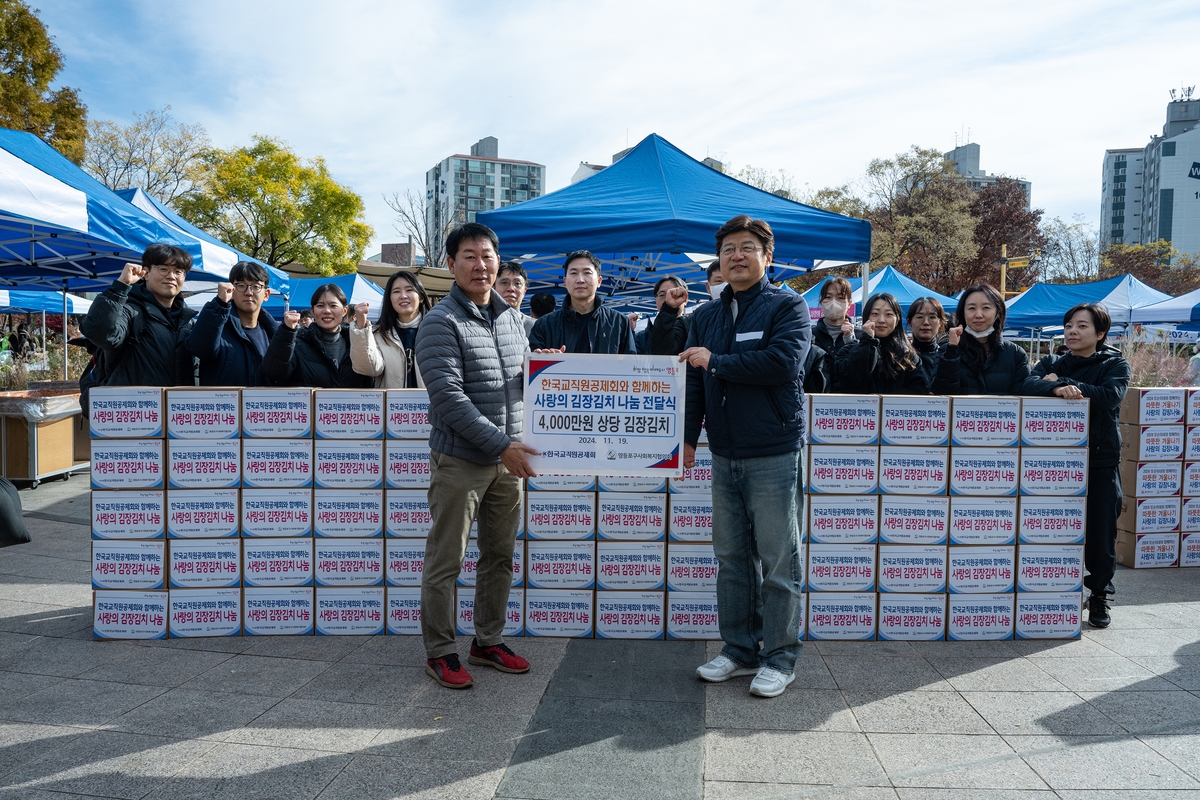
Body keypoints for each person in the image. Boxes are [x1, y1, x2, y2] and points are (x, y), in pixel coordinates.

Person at [681, 215, 811, 699]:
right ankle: (739, 649)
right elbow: (694, 382)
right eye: (729, 248)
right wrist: (689, 438)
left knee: (779, 561)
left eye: (747, 247)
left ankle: (780, 657)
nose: (737, 255)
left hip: (773, 451)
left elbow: (782, 363)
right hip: (724, 452)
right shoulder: (705, 316)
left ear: (767, 256)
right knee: (732, 558)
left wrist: (716, 361)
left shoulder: (788, 306)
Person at [414, 222, 535, 689]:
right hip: (465, 460)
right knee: (446, 560)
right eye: (469, 256)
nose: (481, 265)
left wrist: (548, 373)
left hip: (509, 462)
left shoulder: (511, 319)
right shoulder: (440, 322)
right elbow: (448, 397)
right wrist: (501, 445)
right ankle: (440, 651)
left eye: (487, 255)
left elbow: (514, 386)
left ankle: (487, 641)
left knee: (499, 557)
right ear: (451, 264)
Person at [1020, 303, 1130, 628]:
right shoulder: (1051, 361)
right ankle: (1048, 592)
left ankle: (1099, 596)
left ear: (1100, 333)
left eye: (1082, 326)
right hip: (1052, 466)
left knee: (1100, 533)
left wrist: (1066, 383)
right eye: (1069, 325)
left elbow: (1109, 396)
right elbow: (1027, 385)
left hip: (1099, 462)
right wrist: (1054, 385)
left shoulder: (1115, 363)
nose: (1072, 331)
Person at [79, 244, 198, 410]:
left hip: (177, 418)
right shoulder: (129, 310)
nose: (171, 276)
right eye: (164, 269)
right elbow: (101, 332)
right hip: (133, 417)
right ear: (146, 273)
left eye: (178, 272)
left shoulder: (188, 320)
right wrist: (120, 286)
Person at [186, 261, 279, 386]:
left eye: (256, 286)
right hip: (224, 404)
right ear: (232, 290)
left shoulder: (274, 334)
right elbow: (199, 349)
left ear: (266, 294)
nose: (248, 292)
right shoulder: (216, 327)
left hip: (262, 404)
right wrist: (219, 304)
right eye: (241, 285)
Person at [260, 284, 372, 388]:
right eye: (320, 306)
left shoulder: (356, 344)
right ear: (313, 310)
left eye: (333, 306)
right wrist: (286, 331)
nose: (327, 311)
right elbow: (273, 373)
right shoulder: (297, 343)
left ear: (344, 311)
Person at [528, 250, 636, 354]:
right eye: (574, 273)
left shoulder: (619, 323)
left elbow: (630, 366)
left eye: (587, 273)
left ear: (599, 281)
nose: (580, 279)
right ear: (565, 282)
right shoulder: (544, 325)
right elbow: (531, 367)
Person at [935, 283, 1030, 395]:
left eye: (986, 308)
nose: (978, 315)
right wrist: (952, 353)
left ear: (998, 313)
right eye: (971, 308)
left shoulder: (1016, 355)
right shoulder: (946, 351)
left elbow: (1023, 399)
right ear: (963, 313)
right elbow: (941, 395)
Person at [350, 270, 431, 388]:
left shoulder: (437, 331)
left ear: (421, 297)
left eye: (409, 290)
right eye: (396, 291)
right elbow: (369, 369)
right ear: (390, 299)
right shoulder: (378, 334)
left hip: (430, 405)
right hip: (391, 405)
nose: (403, 296)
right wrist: (361, 326)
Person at [834, 293, 928, 394]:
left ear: (897, 320)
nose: (881, 320)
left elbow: (918, 394)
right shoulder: (848, 351)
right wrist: (868, 342)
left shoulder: (909, 357)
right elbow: (851, 381)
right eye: (875, 314)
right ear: (866, 318)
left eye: (889, 314)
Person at [635, 275, 691, 356]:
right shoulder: (641, 338)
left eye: (674, 294)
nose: (668, 299)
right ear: (655, 300)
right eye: (662, 295)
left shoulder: (695, 330)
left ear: (685, 299)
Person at [907, 296, 948, 384]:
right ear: (910, 322)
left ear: (940, 323)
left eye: (932, 317)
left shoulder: (946, 357)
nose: (926, 322)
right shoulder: (902, 357)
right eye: (919, 317)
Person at [496, 262, 536, 334]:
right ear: (493, 287)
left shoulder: (536, 327)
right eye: (504, 283)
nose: (511, 288)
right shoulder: (483, 325)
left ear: (524, 291)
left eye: (517, 283)